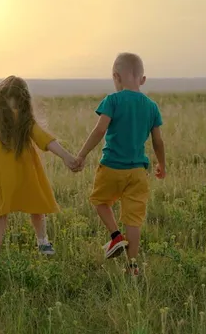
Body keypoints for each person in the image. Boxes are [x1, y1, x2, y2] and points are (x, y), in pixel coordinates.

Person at [0, 76, 77, 270]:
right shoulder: (25, 121)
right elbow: (48, 141)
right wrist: (66, 157)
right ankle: (43, 242)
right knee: (37, 210)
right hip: (26, 177)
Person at [74, 53, 166, 275]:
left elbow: (100, 130)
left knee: (99, 201)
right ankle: (132, 266)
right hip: (138, 172)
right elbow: (158, 140)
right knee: (133, 220)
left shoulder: (112, 101)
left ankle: (115, 236)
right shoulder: (151, 106)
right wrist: (162, 164)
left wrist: (82, 154)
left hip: (112, 167)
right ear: (142, 80)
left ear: (116, 77)